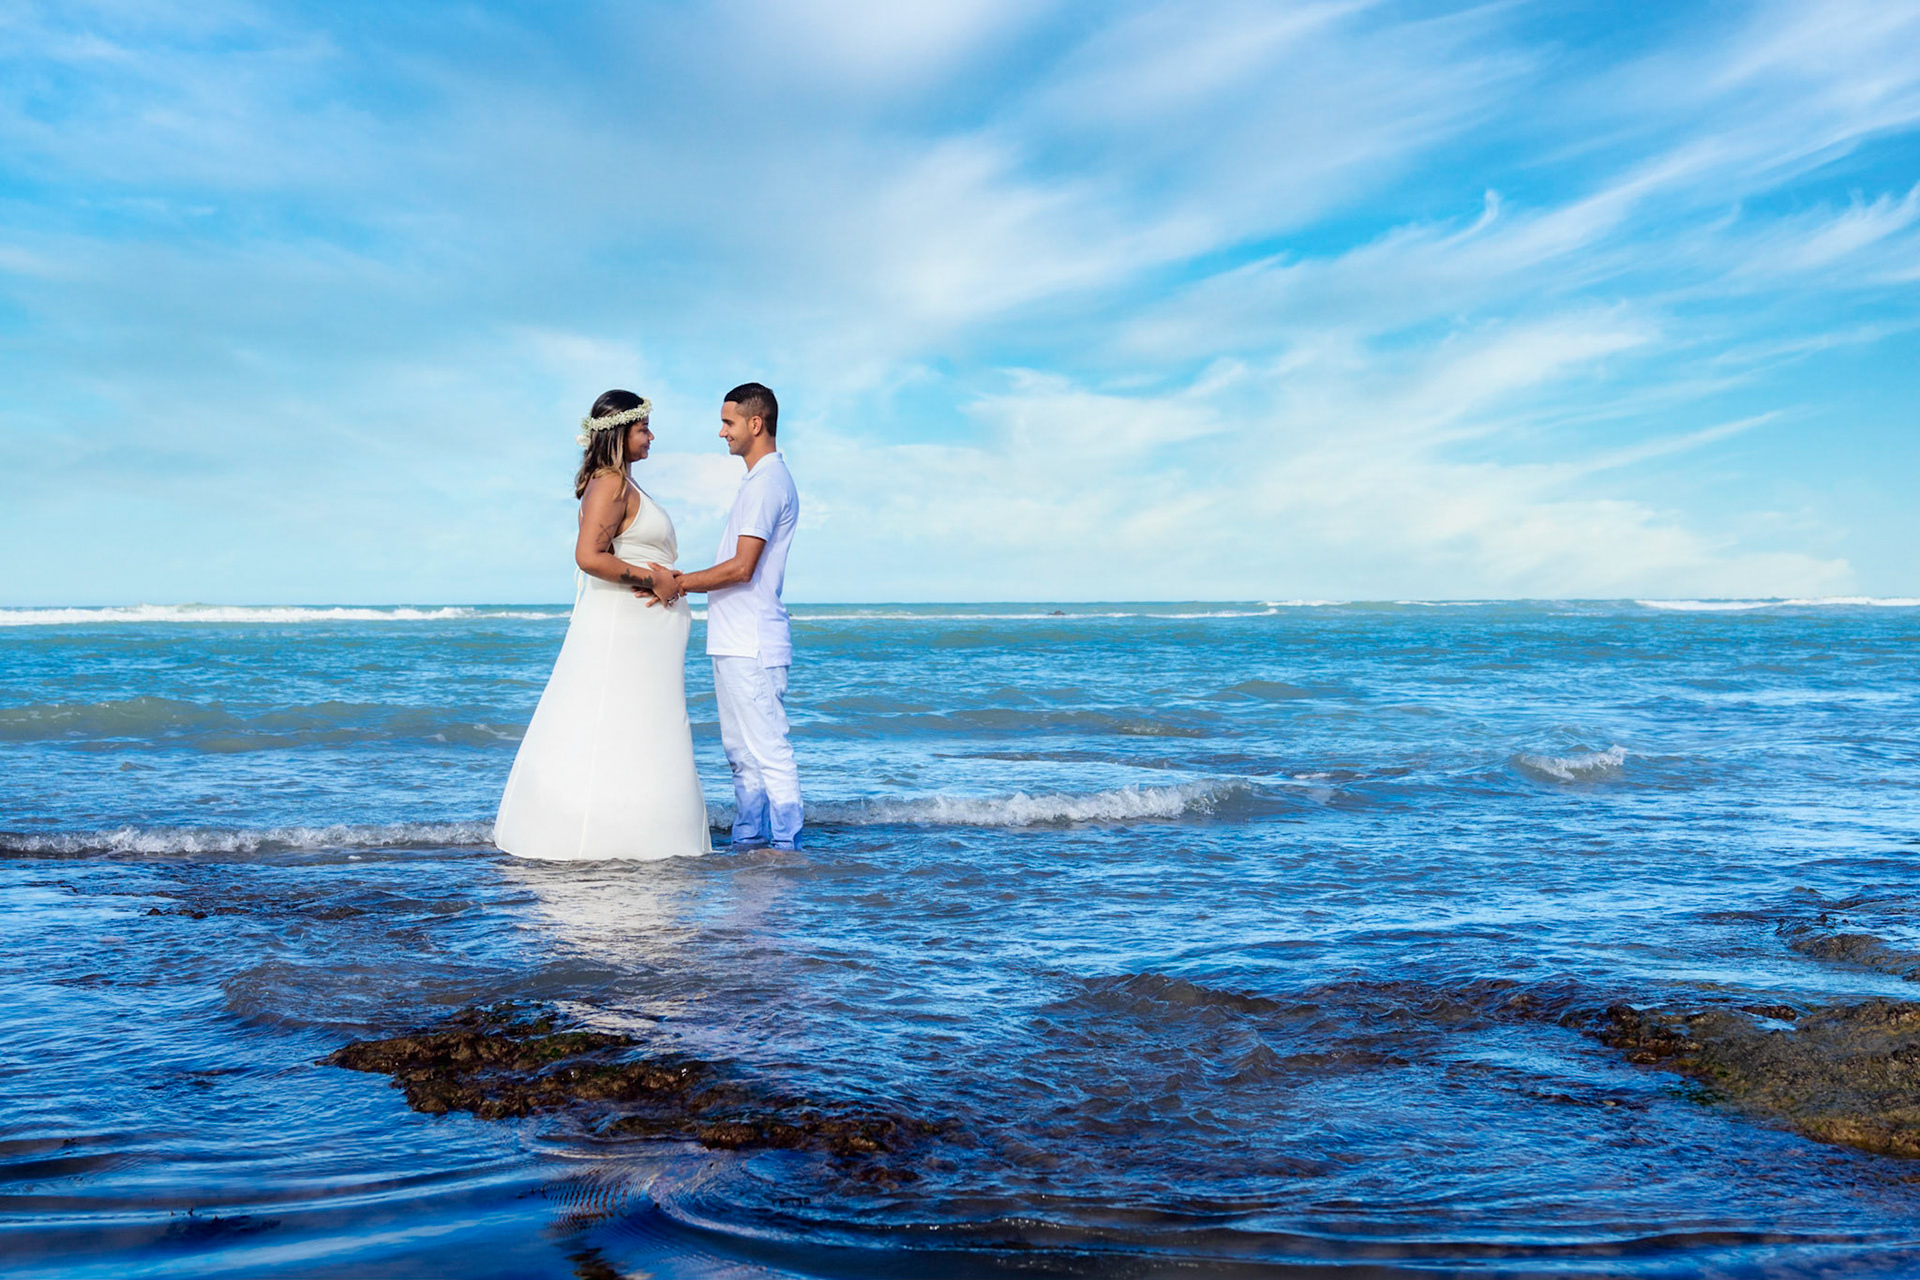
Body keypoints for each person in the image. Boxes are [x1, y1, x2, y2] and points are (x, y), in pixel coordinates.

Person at [494, 390, 712, 861]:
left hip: (645, 637)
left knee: (639, 727)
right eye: (643, 428)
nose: (651, 437)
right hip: (623, 630)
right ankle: (607, 834)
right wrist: (652, 578)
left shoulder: (625, 484)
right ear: (618, 433)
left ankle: (646, 830)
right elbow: (589, 557)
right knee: (613, 721)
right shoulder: (609, 484)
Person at [648, 383, 802, 849]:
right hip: (733, 640)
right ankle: (750, 842)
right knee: (741, 754)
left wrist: (678, 583)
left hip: (751, 642)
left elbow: (742, 567)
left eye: (728, 423)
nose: (721, 432)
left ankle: (787, 848)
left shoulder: (769, 483)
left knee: (768, 752)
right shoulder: (757, 482)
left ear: (756, 424)